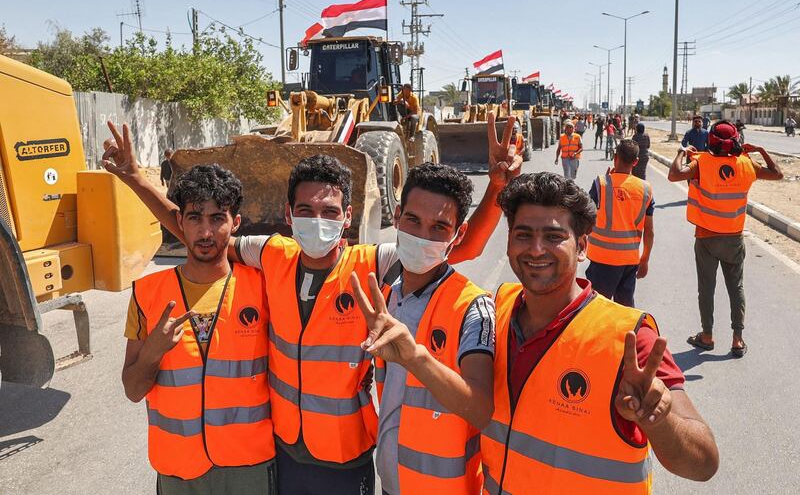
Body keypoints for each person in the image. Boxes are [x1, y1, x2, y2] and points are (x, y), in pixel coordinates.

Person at [102, 115, 520, 495]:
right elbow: (200, 231)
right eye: (306, 210)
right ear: (289, 213)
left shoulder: (370, 263)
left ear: (347, 216)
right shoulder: (272, 255)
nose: (317, 220)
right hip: (282, 449)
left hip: (345, 453)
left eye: (329, 211)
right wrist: (137, 178)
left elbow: (454, 248)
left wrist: (497, 189)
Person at [481, 172, 719, 493]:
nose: (536, 249)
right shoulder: (496, 308)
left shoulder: (629, 339)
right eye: (523, 235)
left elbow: (703, 463)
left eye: (553, 237)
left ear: (581, 247)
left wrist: (658, 420)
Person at [350, 162, 511, 495]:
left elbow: (481, 411)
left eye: (439, 227)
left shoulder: (473, 307)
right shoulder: (388, 294)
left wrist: (416, 359)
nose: (422, 236)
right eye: (413, 221)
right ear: (396, 217)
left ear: (458, 235)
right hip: (392, 483)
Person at [121, 163, 276, 493]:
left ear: (235, 222)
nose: (206, 233)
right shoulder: (147, 294)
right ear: (180, 222)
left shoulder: (264, 288)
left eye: (217, 218)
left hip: (248, 469)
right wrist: (152, 352)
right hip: (179, 471)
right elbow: (133, 390)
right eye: (195, 218)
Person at [669, 120, 783, 357]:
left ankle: (707, 335)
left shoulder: (701, 163)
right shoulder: (746, 164)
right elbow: (777, 173)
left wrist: (682, 152)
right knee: (736, 288)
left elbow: (674, 174)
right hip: (733, 238)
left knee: (706, 288)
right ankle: (737, 339)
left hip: (706, 238)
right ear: (736, 142)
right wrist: (761, 151)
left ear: (711, 140)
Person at [585, 140, 655, 307]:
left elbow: (584, 213)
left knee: (596, 308)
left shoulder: (600, 184)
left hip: (601, 258)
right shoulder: (645, 189)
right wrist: (644, 260)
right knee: (624, 308)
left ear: (614, 157)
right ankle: (626, 334)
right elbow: (649, 231)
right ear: (636, 162)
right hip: (629, 260)